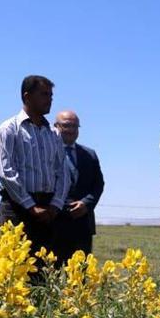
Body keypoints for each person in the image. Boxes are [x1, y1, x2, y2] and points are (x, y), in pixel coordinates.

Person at [0, 75, 69, 258]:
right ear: (27, 97)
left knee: (44, 273)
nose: (49, 99)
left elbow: (63, 172)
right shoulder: (9, 129)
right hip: (17, 209)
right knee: (15, 270)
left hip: (49, 211)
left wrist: (55, 206)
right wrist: (31, 206)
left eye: (51, 95)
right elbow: (5, 172)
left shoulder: (53, 133)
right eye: (44, 94)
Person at [52, 111, 105, 264]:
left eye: (75, 126)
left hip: (82, 224)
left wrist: (86, 203)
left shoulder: (90, 154)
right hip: (53, 223)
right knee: (51, 275)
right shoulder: (47, 152)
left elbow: (98, 184)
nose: (71, 130)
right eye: (66, 125)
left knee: (80, 277)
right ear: (56, 126)